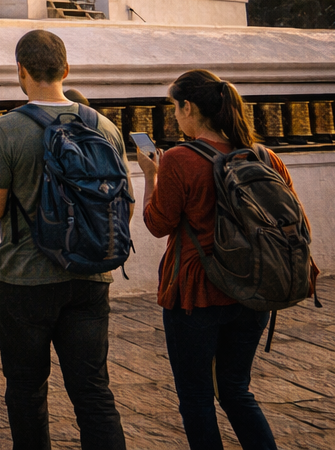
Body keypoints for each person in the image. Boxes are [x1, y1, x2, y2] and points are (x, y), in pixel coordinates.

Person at [0, 30, 128, 450]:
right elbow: (120, 200)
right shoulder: (104, 126)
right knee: (93, 391)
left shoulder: (6, 129)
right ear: (66, 69)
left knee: (26, 390)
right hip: (91, 275)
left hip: (25, 279)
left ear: (20, 70)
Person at [138, 69, 318, 450]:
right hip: (254, 289)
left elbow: (157, 223)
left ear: (189, 107)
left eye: (175, 107)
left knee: (197, 396)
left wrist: (149, 178)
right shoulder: (264, 155)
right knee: (236, 390)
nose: (174, 116)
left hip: (196, 292)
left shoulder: (179, 159)